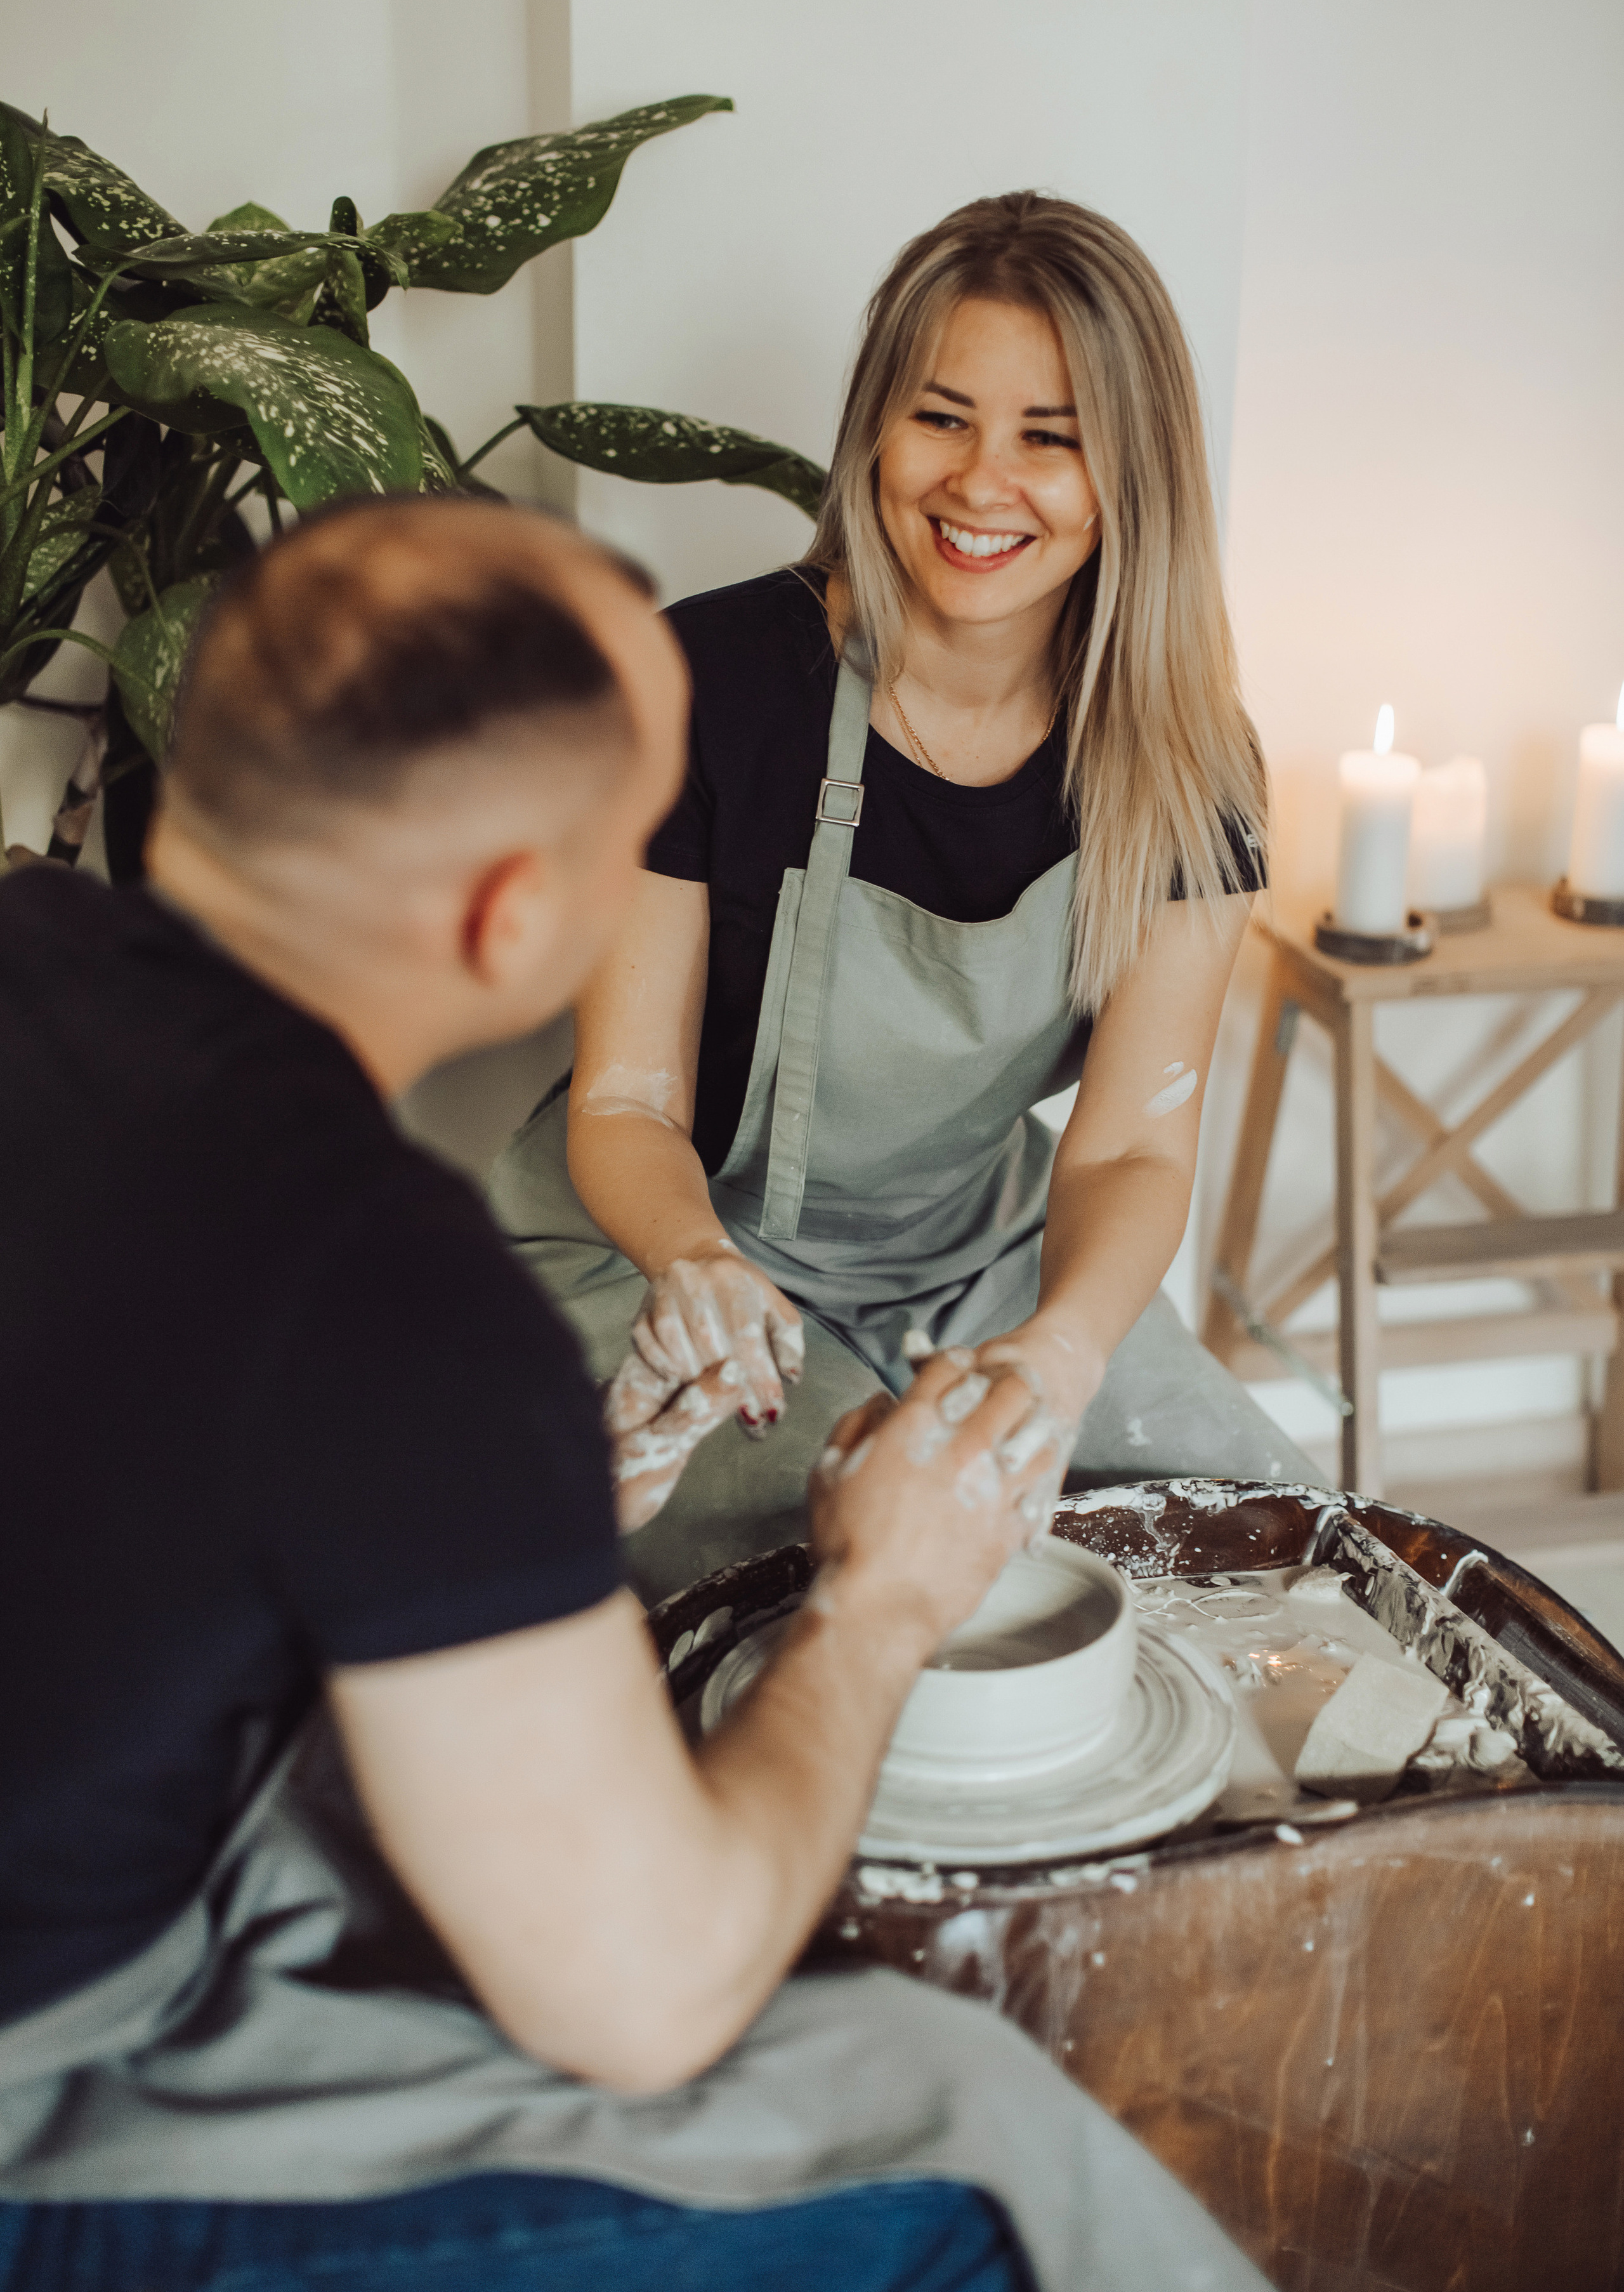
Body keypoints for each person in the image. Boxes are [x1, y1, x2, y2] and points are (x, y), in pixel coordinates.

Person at [0, 498, 1269, 2292]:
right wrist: (884, 1605)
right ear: (527, 918)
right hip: (46, 2101)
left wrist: (473, 1525)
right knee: (964, 2112)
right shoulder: (397, 1300)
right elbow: (653, 1997)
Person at [492, 192, 1321, 1605]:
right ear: (875, 427)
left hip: (979, 1254)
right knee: (838, 1587)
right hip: (670, 1242)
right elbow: (625, 1105)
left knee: (1260, 1555)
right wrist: (696, 1267)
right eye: (941, 418)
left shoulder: (1186, 761)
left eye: (1047, 438)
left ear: (1132, 473)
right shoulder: (706, 685)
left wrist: (1059, 1350)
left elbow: (1126, 1149)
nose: (980, 483)